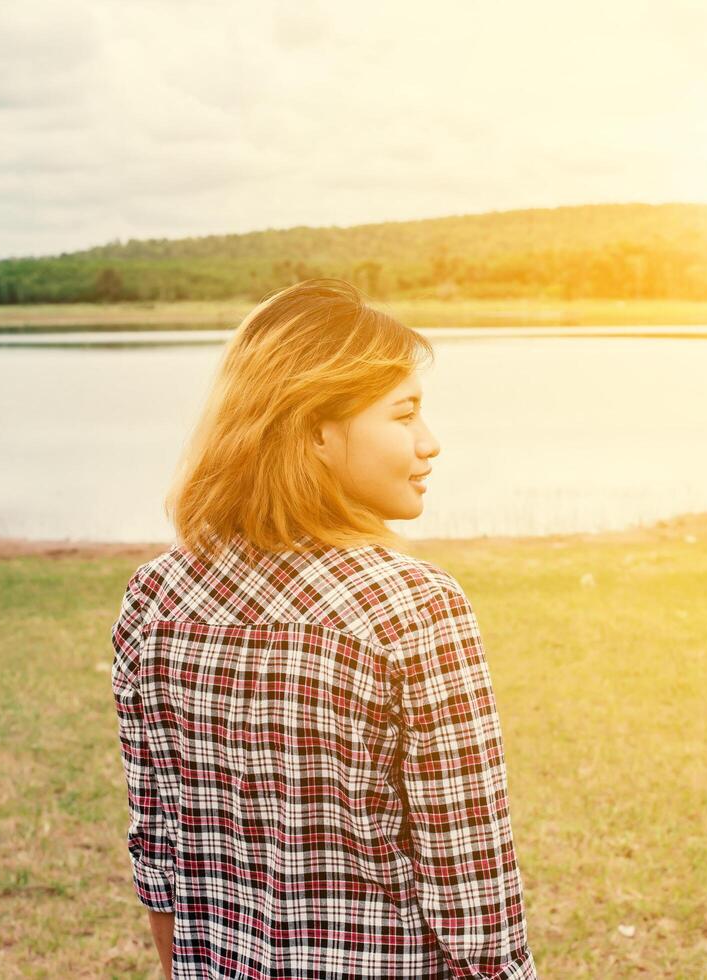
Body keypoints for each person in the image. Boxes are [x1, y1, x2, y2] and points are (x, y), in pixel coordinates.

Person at [110, 279, 537, 978]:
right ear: (315, 432)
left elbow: (161, 855)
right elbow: (473, 895)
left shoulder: (153, 600)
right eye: (404, 416)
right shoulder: (415, 608)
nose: (430, 444)